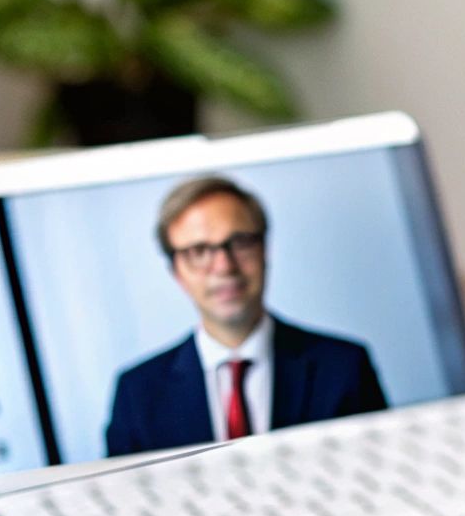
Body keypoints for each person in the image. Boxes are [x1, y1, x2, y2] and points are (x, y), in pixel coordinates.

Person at [105, 176, 387, 457]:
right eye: (199, 251)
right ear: (177, 272)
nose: (224, 266)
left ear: (265, 250)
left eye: (239, 242)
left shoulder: (344, 368)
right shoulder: (137, 394)